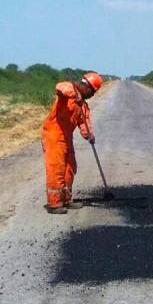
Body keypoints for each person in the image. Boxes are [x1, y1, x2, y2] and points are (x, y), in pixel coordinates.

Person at [41, 72, 103, 214]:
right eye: (92, 92)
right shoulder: (69, 91)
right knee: (56, 168)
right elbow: (60, 87)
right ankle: (54, 204)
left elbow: (84, 123)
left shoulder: (83, 106)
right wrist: (72, 93)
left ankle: (67, 199)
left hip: (67, 137)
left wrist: (89, 136)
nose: (92, 95)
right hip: (53, 136)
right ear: (86, 86)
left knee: (70, 168)